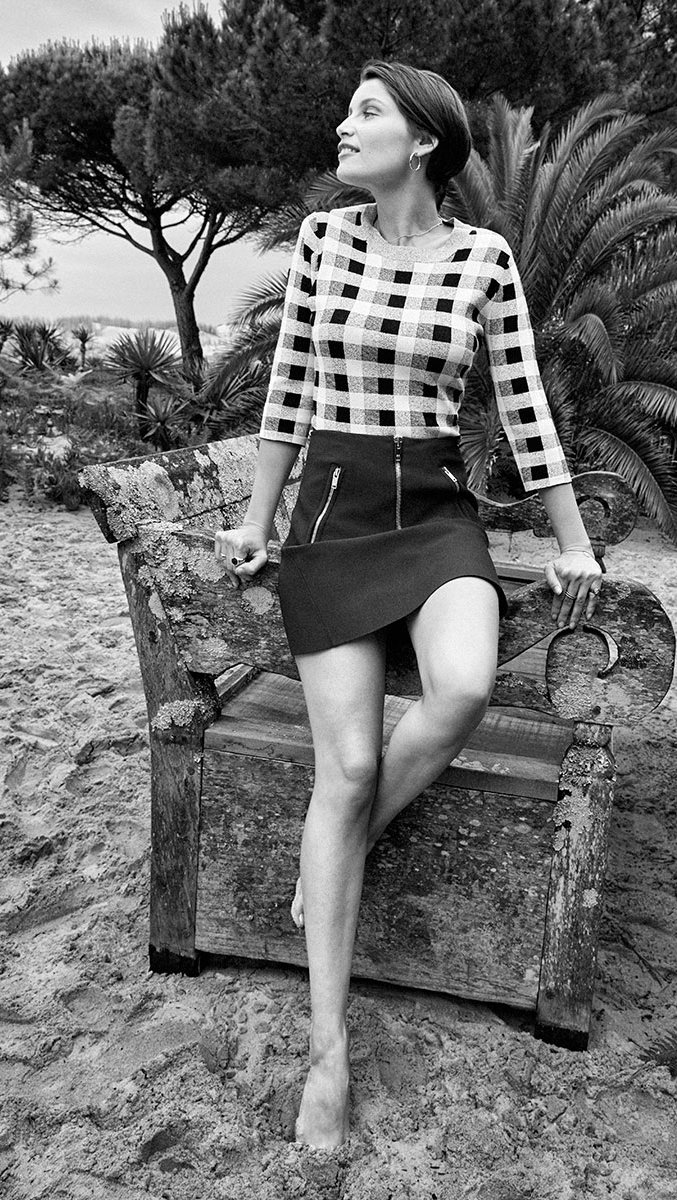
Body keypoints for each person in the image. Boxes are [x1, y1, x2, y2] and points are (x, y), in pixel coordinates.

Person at [213, 60, 602, 1150]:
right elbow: (287, 389)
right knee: (340, 764)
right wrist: (256, 519)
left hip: (435, 513)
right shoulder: (325, 241)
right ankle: (328, 1058)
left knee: (466, 688)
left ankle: (341, 847)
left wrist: (573, 545)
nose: (345, 126)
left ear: (425, 139)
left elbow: (522, 403)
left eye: (367, 113)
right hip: (334, 511)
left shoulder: (482, 257)